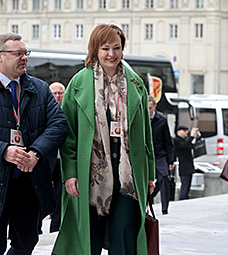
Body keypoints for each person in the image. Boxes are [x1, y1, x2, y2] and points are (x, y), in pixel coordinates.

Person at [0, 33, 68, 255]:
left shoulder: (40, 89)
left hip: (29, 182)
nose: (24, 58)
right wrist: (4, 151)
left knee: (26, 243)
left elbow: (59, 126)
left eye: (26, 53)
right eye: (17, 53)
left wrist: (36, 152)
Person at [54, 23, 155, 255]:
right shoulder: (79, 83)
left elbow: (146, 136)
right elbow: (68, 136)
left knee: (125, 234)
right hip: (91, 175)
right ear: (95, 50)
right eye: (105, 48)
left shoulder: (136, 83)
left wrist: (150, 175)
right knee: (90, 236)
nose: (112, 54)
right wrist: (69, 173)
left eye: (117, 48)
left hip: (128, 175)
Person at [148, 97, 174, 215]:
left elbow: (168, 141)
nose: (148, 111)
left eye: (150, 108)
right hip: (147, 155)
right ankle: (148, 199)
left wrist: (171, 161)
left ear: (155, 107)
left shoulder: (162, 120)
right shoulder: (142, 120)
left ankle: (165, 209)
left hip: (160, 155)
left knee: (164, 178)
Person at [48, 82, 66, 233]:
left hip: (63, 163)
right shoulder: (43, 111)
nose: (58, 96)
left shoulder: (69, 111)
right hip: (47, 162)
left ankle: (55, 230)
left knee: (60, 198)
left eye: (60, 93)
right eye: (54, 93)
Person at [173, 126, 201, 200]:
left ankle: (185, 199)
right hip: (184, 167)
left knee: (187, 187)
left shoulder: (186, 140)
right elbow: (184, 145)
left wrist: (197, 137)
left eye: (187, 130)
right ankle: (182, 200)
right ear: (178, 131)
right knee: (184, 187)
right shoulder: (177, 140)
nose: (186, 132)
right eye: (184, 130)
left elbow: (192, 146)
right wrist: (191, 136)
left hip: (189, 166)